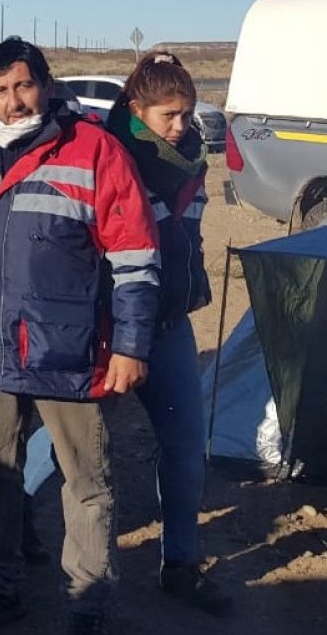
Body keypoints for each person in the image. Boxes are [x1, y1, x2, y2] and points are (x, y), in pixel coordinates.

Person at [0, 37, 161, 635]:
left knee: (85, 481)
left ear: (47, 85)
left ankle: (88, 602)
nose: (13, 102)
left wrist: (131, 345)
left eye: (23, 85)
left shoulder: (93, 151)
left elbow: (134, 256)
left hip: (69, 350)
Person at [106, 52, 230, 615]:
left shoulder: (192, 160)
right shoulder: (111, 157)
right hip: (109, 328)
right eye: (169, 116)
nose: (182, 127)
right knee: (69, 447)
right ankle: (15, 536)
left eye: (188, 114)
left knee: (185, 448)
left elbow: (188, 234)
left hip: (170, 324)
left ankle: (179, 564)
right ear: (137, 110)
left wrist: (191, 283)